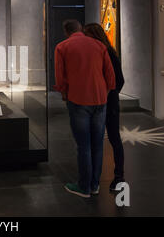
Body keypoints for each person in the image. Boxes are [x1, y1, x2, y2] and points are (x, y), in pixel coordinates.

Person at [54, 19, 116, 198]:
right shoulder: (99, 45)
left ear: (66, 32)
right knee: (97, 145)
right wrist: (103, 92)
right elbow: (110, 77)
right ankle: (95, 185)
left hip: (78, 100)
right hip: (100, 101)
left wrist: (64, 94)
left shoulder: (62, 47)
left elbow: (60, 77)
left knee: (84, 146)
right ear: (81, 29)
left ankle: (84, 187)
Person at [84, 23, 125, 191]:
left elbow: (118, 80)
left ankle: (117, 177)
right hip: (104, 102)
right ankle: (110, 177)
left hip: (106, 103)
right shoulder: (106, 51)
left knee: (112, 140)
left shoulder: (106, 52)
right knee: (110, 140)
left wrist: (107, 95)